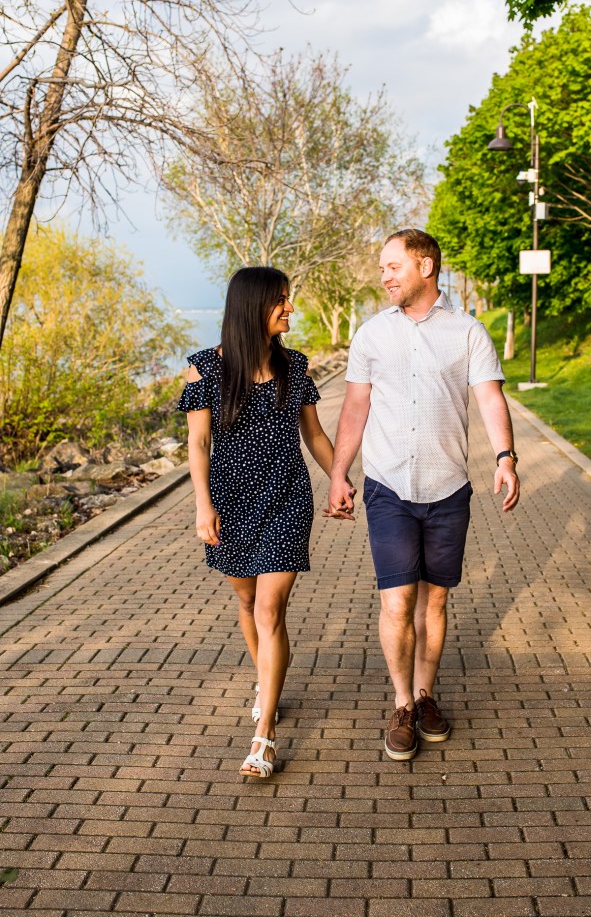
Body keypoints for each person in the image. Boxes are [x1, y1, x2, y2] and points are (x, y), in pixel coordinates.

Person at [327, 229, 520, 761]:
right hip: (388, 486)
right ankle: (401, 704)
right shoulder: (370, 335)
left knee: (434, 600)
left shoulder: (467, 333)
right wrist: (339, 473)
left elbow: (490, 400)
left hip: (448, 487)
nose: (384, 275)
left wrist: (505, 457)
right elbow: (353, 410)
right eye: (382, 267)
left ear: (426, 265)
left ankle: (426, 693)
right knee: (397, 601)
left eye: (393, 266)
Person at [178, 266, 352, 779]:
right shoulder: (205, 369)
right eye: (281, 301)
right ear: (253, 305)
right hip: (229, 504)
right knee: (248, 602)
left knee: (271, 609)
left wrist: (338, 478)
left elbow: (316, 437)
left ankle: (265, 733)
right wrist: (202, 505)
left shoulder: (295, 366)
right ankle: (266, 681)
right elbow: (198, 443)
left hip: (286, 500)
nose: (289, 308)